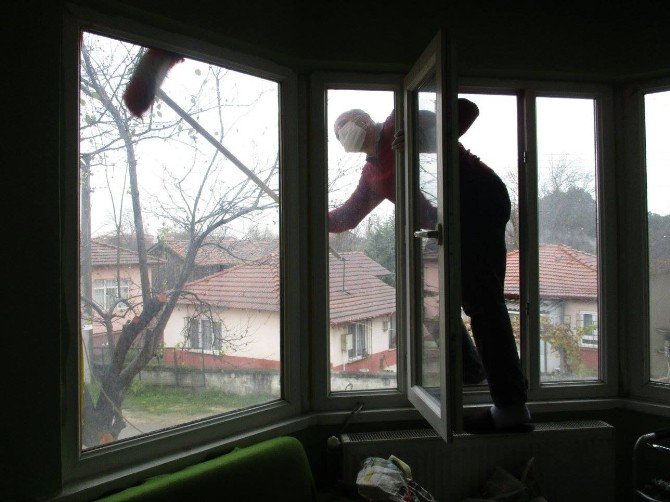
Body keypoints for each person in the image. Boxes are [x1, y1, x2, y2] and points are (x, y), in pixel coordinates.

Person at [328, 99, 531, 433]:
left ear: (364, 120)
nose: (342, 133)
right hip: (445, 226)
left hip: (478, 201)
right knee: (427, 298)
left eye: (344, 124)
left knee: (482, 303)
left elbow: (466, 112)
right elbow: (348, 215)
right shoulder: (373, 172)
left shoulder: (399, 122)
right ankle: (470, 370)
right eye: (337, 133)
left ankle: (512, 408)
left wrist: (424, 136)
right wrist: (309, 215)